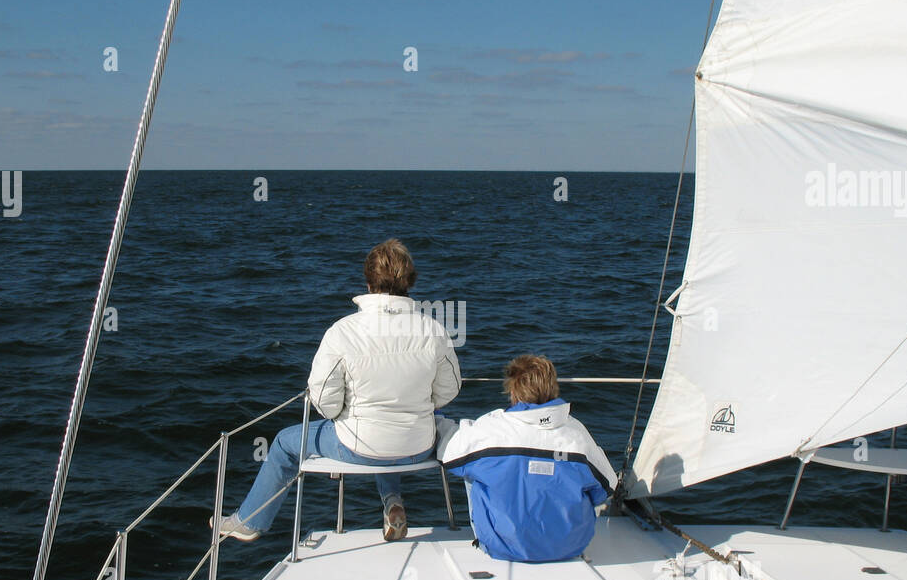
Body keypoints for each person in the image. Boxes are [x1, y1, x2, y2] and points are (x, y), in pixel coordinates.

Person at [213, 239, 462, 543]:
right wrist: (416, 404)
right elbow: (450, 389)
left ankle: (249, 522)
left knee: (283, 443)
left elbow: (324, 402)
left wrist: (347, 414)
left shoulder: (343, 331)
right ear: (410, 281)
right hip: (419, 447)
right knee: (391, 431)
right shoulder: (433, 329)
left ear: (369, 283)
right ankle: (392, 502)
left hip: (360, 447)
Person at [438, 355, 615, 562]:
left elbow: (449, 455)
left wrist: (437, 419)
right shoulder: (576, 434)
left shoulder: (490, 430)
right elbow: (607, 487)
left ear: (513, 391)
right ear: (552, 388)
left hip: (502, 547)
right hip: (569, 547)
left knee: (471, 466)